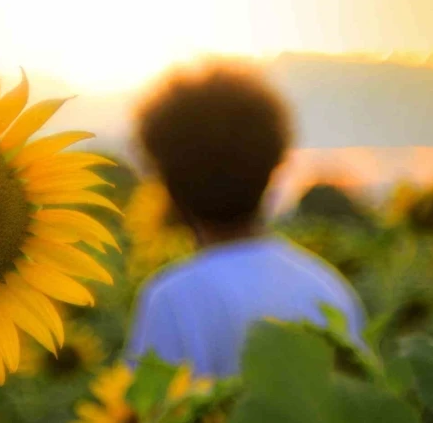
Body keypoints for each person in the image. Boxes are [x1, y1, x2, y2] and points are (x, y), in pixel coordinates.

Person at [124, 60, 367, 377]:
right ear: (271, 167)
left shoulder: (172, 299)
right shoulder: (329, 288)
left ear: (169, 182)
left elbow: (151, 417)